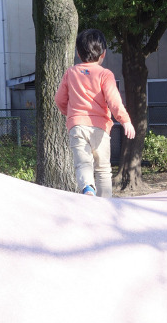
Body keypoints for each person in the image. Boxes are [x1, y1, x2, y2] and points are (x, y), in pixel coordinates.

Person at [55, 29, 135, 197]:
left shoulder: (70, 73)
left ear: (78, 53)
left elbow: (59, 99)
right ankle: (105, 201)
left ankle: (88, 188)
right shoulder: (105, 74)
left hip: (76, 126)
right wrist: (125, 120)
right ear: (103, 54)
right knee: (103, 168)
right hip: (100, 127)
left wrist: (71, 114)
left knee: (83, 163)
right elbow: (114, 100)